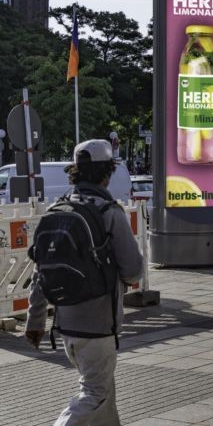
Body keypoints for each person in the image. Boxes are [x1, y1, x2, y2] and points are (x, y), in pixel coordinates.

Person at [25, 140, 143, 426]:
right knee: (94, 393)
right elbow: (134, 270)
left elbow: (41, 272)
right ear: (107, 173)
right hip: (99, 326)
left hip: (66, 325)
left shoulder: (57, 210)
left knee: (104, 396)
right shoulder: (108, 213)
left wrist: (34, 321)